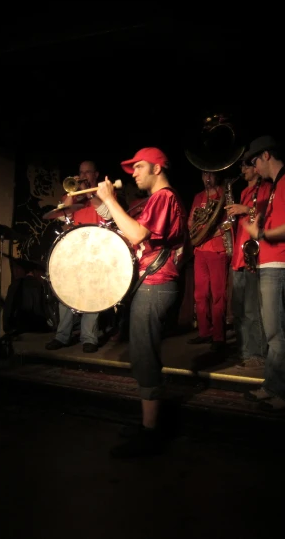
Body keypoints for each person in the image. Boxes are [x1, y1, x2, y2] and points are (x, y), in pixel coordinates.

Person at [96, 147, 187, 458]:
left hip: (156, 285)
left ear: (157, 168)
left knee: (145, 356)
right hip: (152, 284)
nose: (132, 173)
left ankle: (151, 433)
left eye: (139, 167)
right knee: (142, 353)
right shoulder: (157, 200)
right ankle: (148, 425)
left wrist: (109, 200)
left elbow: (136, 235)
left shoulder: (164, 197)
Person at [240, 136, 285, 411]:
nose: (254, 167)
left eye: (255, 161)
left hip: (281, 264)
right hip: (271, 264)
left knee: (277, 332)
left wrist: (262, 233)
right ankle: (273, 385)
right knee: (272, 332)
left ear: (266, 155)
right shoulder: (279, 185)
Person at [44, 161, 107, 353]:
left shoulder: (103, 195)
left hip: (96, 250)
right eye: (80, 172)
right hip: (73, 250)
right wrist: (73, 193)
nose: (83, 176)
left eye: (88, 172)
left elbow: (108, 214)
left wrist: (90, 194)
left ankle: (89, 337)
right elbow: (62, 216)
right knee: (67, 293)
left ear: (95, 174)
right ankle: (62, 336)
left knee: (92, 295)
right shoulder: (70, 196)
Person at [224, 158, 273, 368]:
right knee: (239, 311)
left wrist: (246, 209)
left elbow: (268, 216)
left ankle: (259, 354)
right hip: (239, 257)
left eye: (245, 166)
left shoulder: (268, 188)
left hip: (255, 256)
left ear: (256, 168)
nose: (242, 170)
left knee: (253, 310)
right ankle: (244, 353)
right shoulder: (243, 192)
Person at [187, 170, 229, 353]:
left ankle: (219, 336)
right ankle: (204, 331)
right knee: (200, 294)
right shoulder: (198, 196)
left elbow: (230, 222)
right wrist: (195, 223)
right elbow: (190, 222)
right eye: (204, 174)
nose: (207, 178)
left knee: (217, 294)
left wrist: (214, 230)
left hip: (217, 249)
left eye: (210, 174)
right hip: (200, 250)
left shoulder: (225, 195)